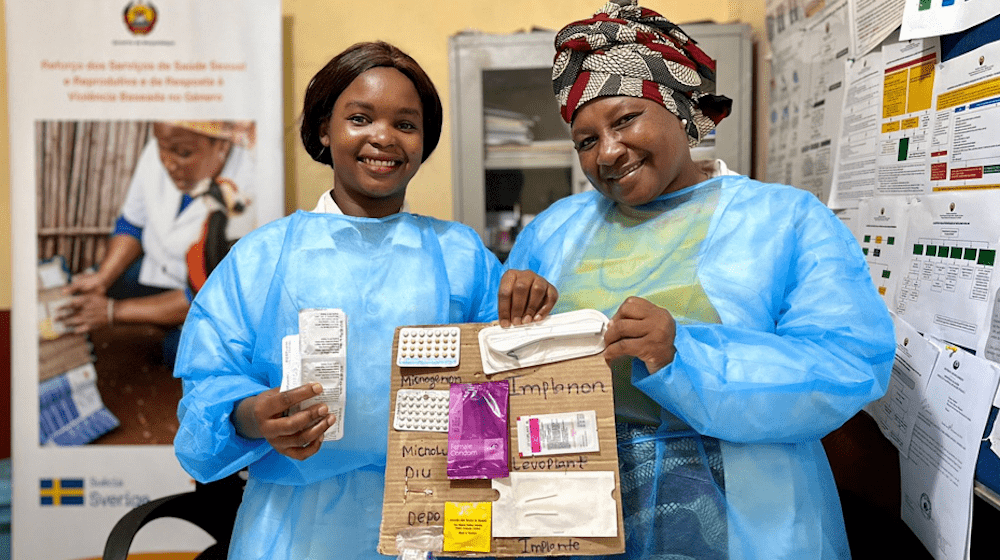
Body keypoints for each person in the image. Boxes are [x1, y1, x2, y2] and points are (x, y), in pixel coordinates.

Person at [503, 1, 896, 558]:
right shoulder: (553, 232)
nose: (608, 152)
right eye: (586, 140)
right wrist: (507, 321)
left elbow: (849, 363)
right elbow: (502, 383)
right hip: (578, 521)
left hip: (749, 524)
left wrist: (683, 355)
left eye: (625, 119)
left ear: (680, 110)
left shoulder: (784, 220)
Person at [172, 41, 556, 560]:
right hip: (293, 529)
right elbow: (205, 394)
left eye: (406, 123)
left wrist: (530, 314)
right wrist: (252, 415)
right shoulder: (263, 257)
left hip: (435, 522)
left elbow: (509, 386)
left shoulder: (458, 254)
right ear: (324, 130)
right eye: (359, 117)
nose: (384, 137)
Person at [59, 120, 256, 362]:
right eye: (162, 148)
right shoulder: (157, 153)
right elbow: (132, 223)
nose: (168, 162)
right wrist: (102, 278)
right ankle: (165, 319)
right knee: (79, 292)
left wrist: (114, 311)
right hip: (156, 270)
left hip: (212, 296)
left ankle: (175, 328)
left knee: (180, 352)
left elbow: (210, 292)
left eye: (183, 153)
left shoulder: (248, 187)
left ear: (222, 146)